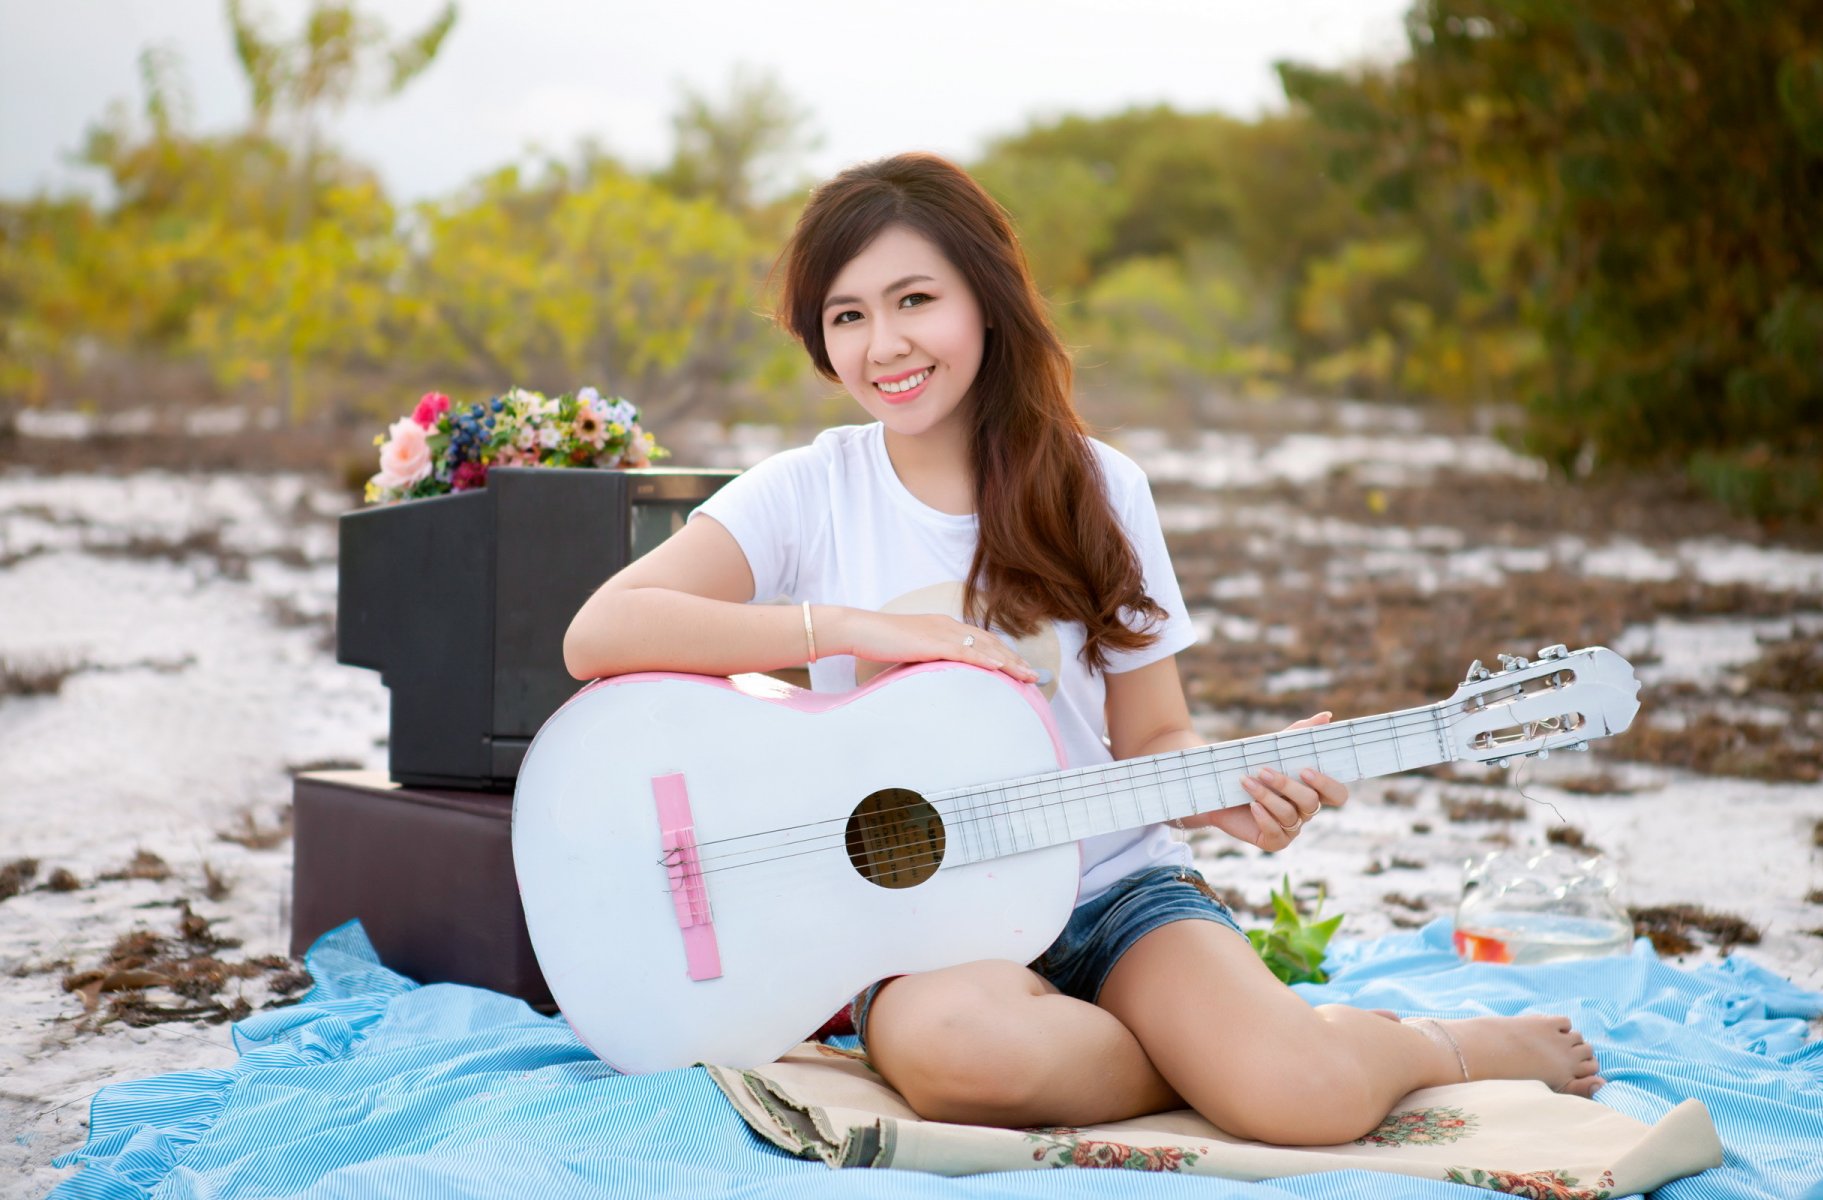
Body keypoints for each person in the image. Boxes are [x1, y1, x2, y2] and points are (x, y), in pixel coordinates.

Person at [562, 152, 1603, 1145]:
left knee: (1307, 1098)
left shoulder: (1100, 488)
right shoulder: (809, 491)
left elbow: (1155, 732)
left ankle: (1416, 1047)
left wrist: (1219, 793)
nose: (884, 345)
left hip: (1112, 887)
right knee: (962, 1059)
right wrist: (853, 628)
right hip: (920, 929)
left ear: (985, 300)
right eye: (848, 315)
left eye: (915, 300)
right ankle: (1214, 1058)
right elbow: (599, 633)